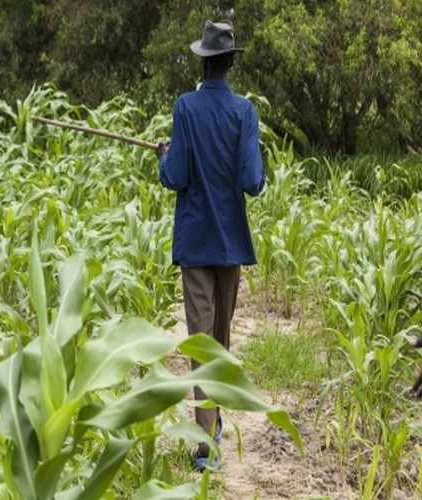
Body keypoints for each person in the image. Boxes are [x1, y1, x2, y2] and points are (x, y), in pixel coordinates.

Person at [156, 20, 265, 471]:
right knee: (217, 340)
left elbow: (175, 177)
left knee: (203, 341)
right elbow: (253, 183)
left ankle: (207, 435)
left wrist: (164, 156)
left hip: (196, 242)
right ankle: (208, 433)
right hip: (230, 245)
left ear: (204, 61)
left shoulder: (186, 107)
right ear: (229, 64)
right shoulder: (245, 113)